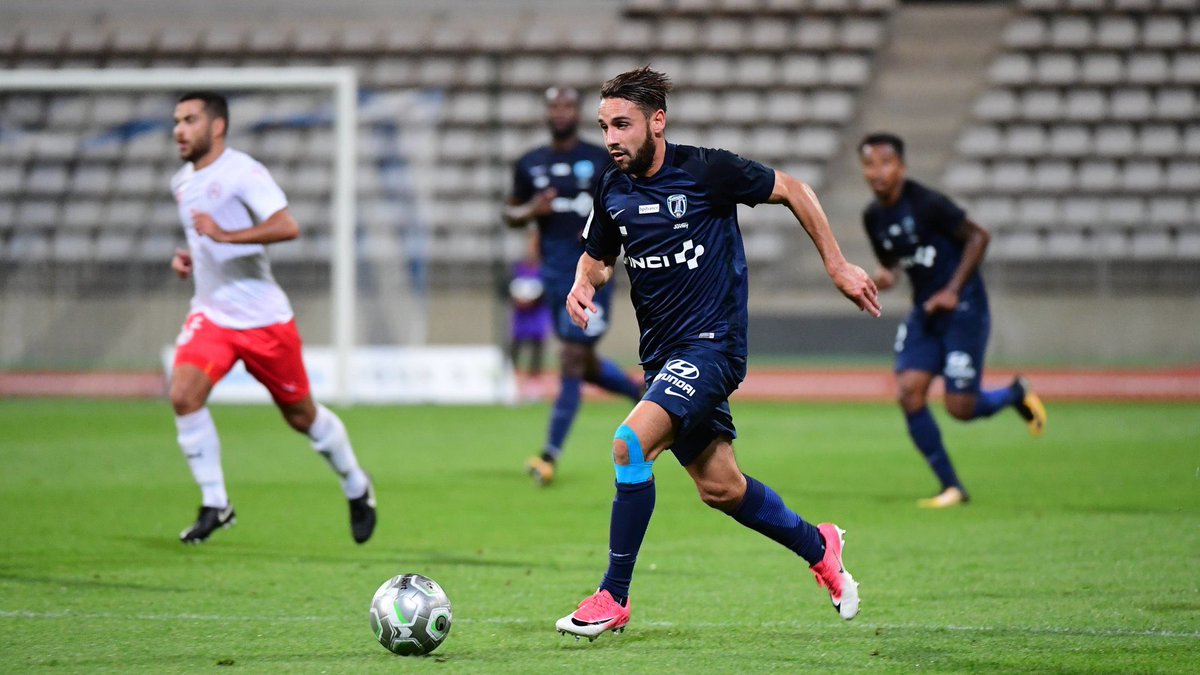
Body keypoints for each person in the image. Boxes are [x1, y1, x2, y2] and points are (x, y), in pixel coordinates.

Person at [554, 67, 882, 641]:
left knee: (630, 443)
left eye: (622, 124)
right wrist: (584, 282)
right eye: (604, 125)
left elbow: (794, 189)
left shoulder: (706, 169)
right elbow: (599, 258)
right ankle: (819, 544)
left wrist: (836, 263)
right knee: (721, 489)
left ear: (658, 121)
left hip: (713, 347)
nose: (610, 138)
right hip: (664, 358)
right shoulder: (612, 187)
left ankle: (613, 594)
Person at [167, 91, 375, 544]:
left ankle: (357, 485)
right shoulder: (181, 183)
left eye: (189, 120)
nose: (179, 130)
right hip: (212, 315)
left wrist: (225, 235)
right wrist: (191, 258)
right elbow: (207, 245)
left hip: (263, 320)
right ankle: (215, 502)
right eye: (177, 121)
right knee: (183, 395)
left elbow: (286, 225)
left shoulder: (243, 172)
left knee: (302, 416)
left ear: (216, 126)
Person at [858, 132, 1047, 508]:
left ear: (902, 167)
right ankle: (952, 487)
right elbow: (893, 264)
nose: (877, 172)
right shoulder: (873, 217)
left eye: (885, 162)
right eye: (869, 164)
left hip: (963, 309)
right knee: (909, 392)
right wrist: (885, 277)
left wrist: (953, 290)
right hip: (926, 311)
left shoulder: (927, 203)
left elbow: (979, 237)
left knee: (960, 408)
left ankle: (1014, 394)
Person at [504, 86, 643, 486]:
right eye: (554, 106)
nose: (561, 112)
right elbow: (510, 212)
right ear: (547, 112)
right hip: (553, 277)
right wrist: (533, 210)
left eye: (567, 106)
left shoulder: (600, 160)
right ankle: (640, 395)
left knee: (569, 358)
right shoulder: (530, 163)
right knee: (583, 363)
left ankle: (549, 454)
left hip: (593, 271)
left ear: (577, 111)